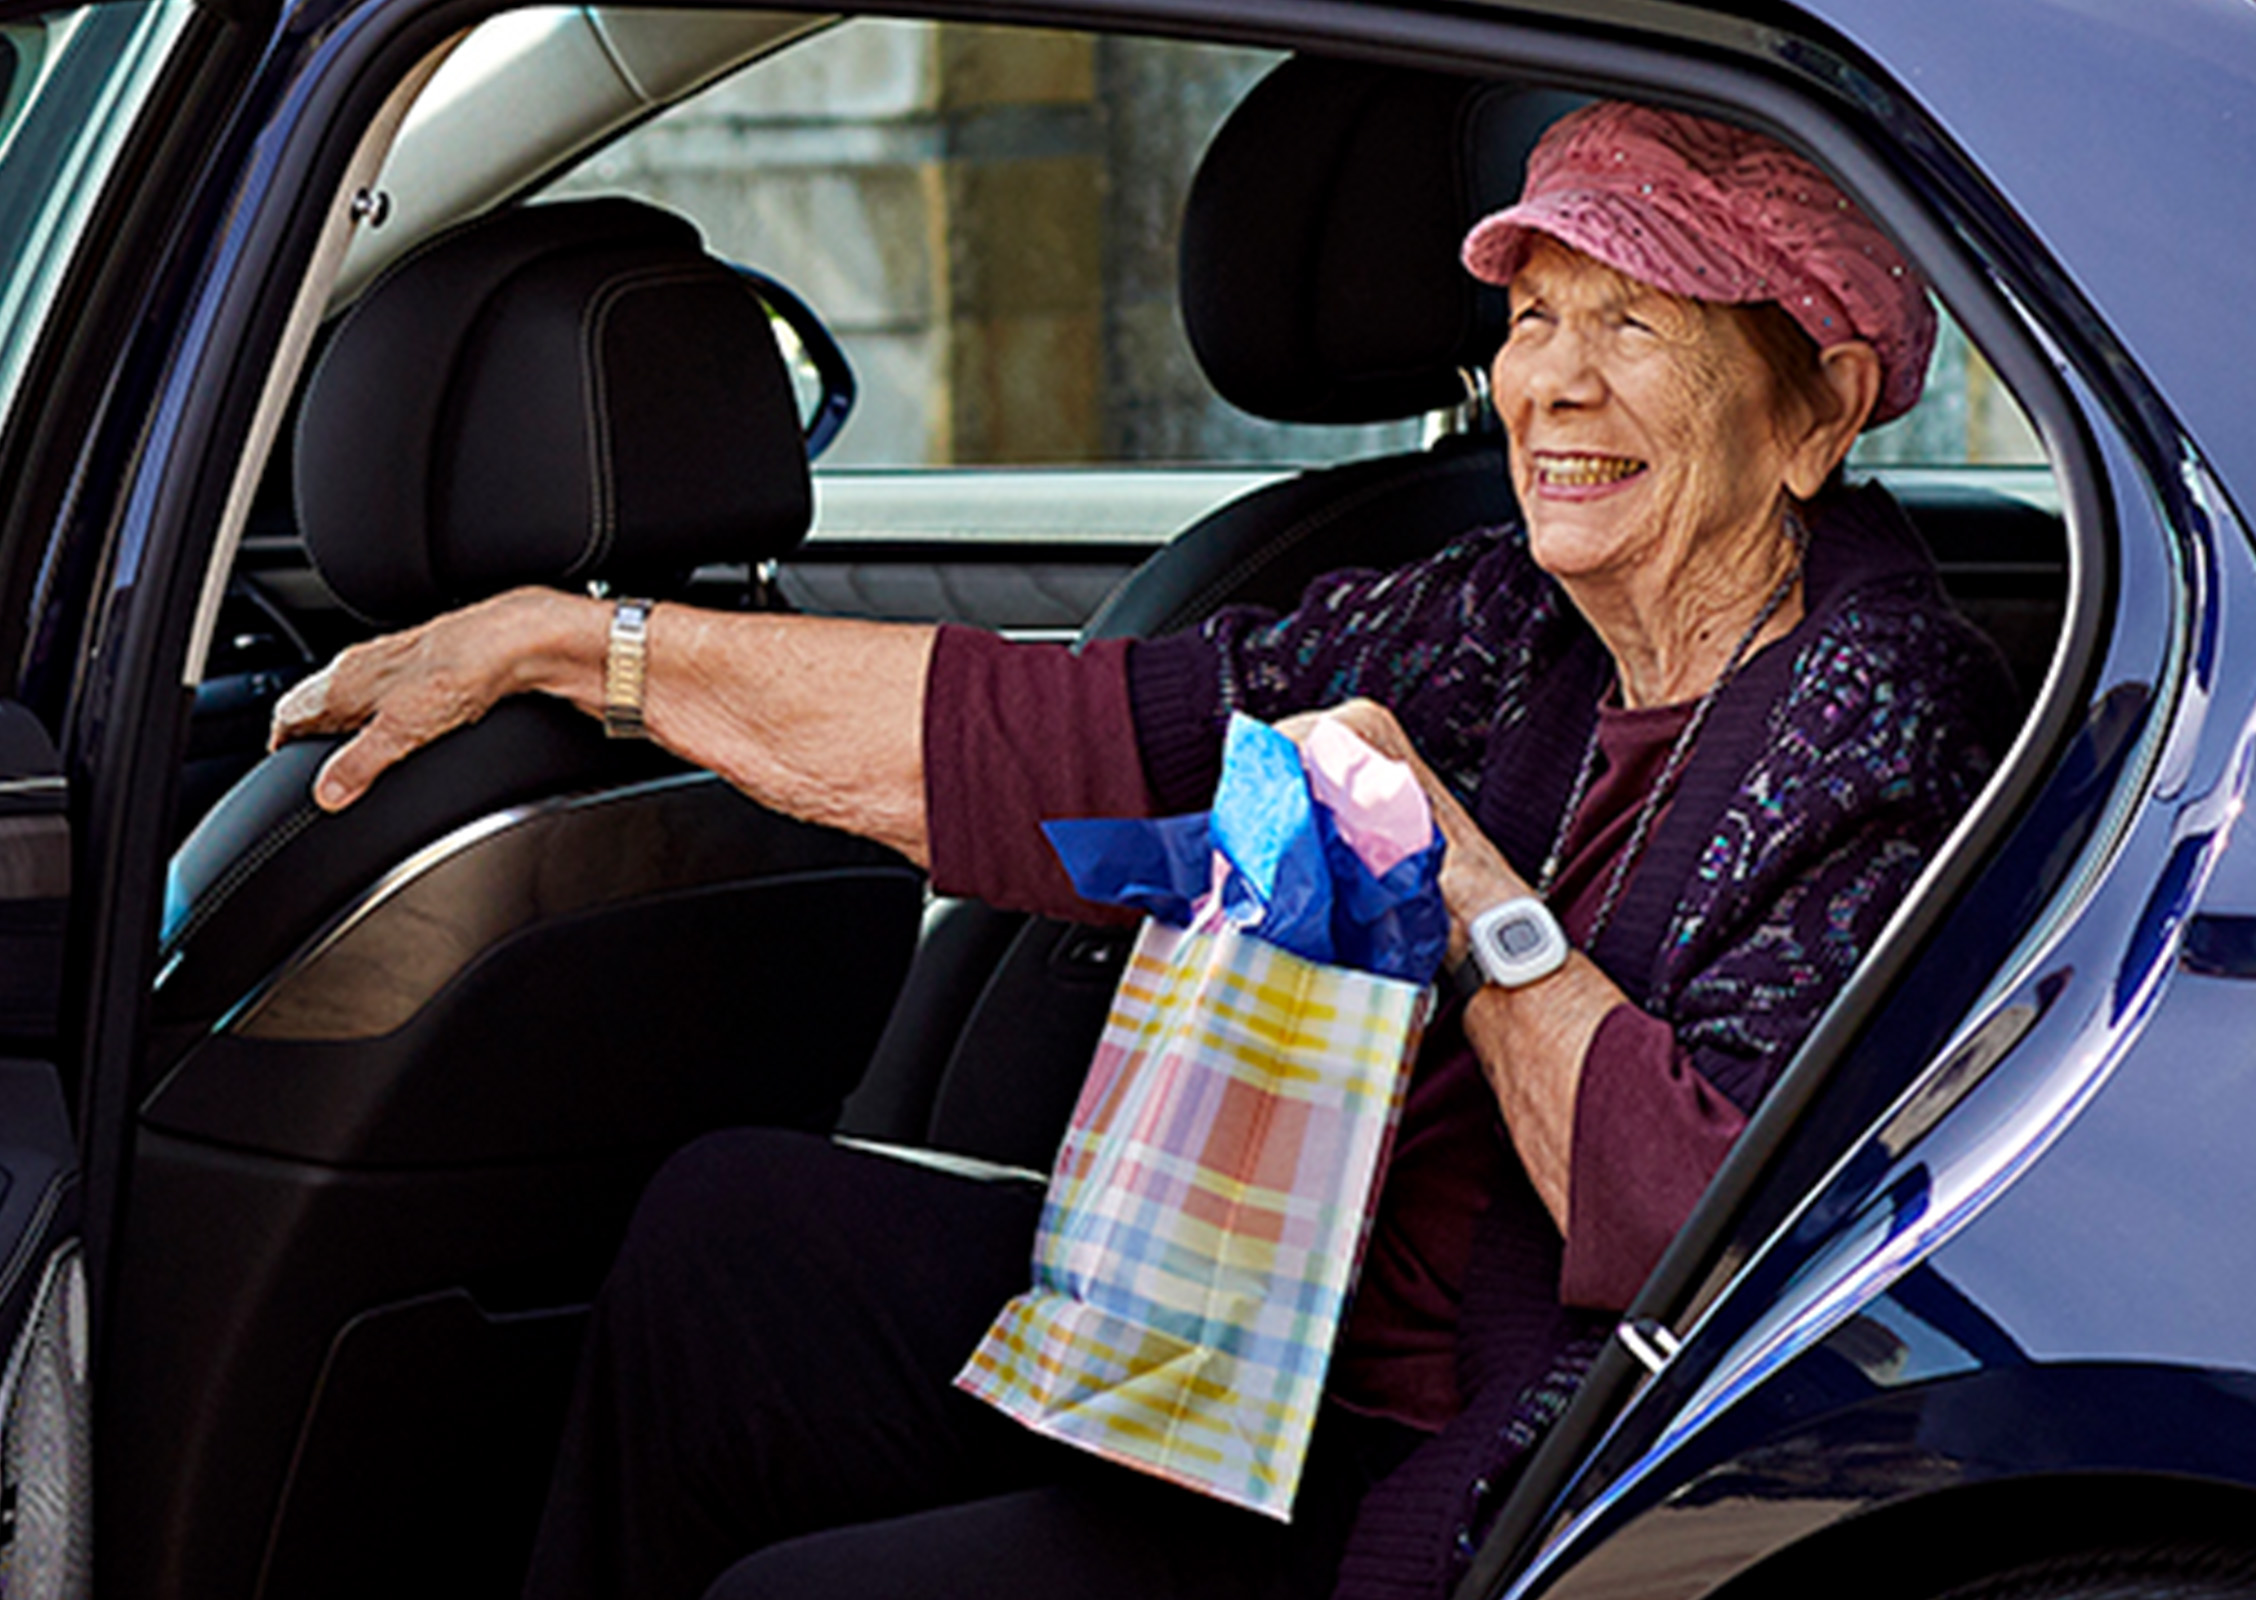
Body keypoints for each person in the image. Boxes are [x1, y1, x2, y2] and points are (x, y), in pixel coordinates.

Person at [271, 99, 2017, 1600]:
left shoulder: (1880, 711)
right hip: (1271, 1330)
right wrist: (584, 647)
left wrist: (1459, 878)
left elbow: (1696, 1231)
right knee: (731, 1235)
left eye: (1631, 324)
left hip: (1451, 1460)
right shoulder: (1508, 615)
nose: (1545, 382)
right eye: (1537, 313)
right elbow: (1070, 738)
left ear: (1818, 408)